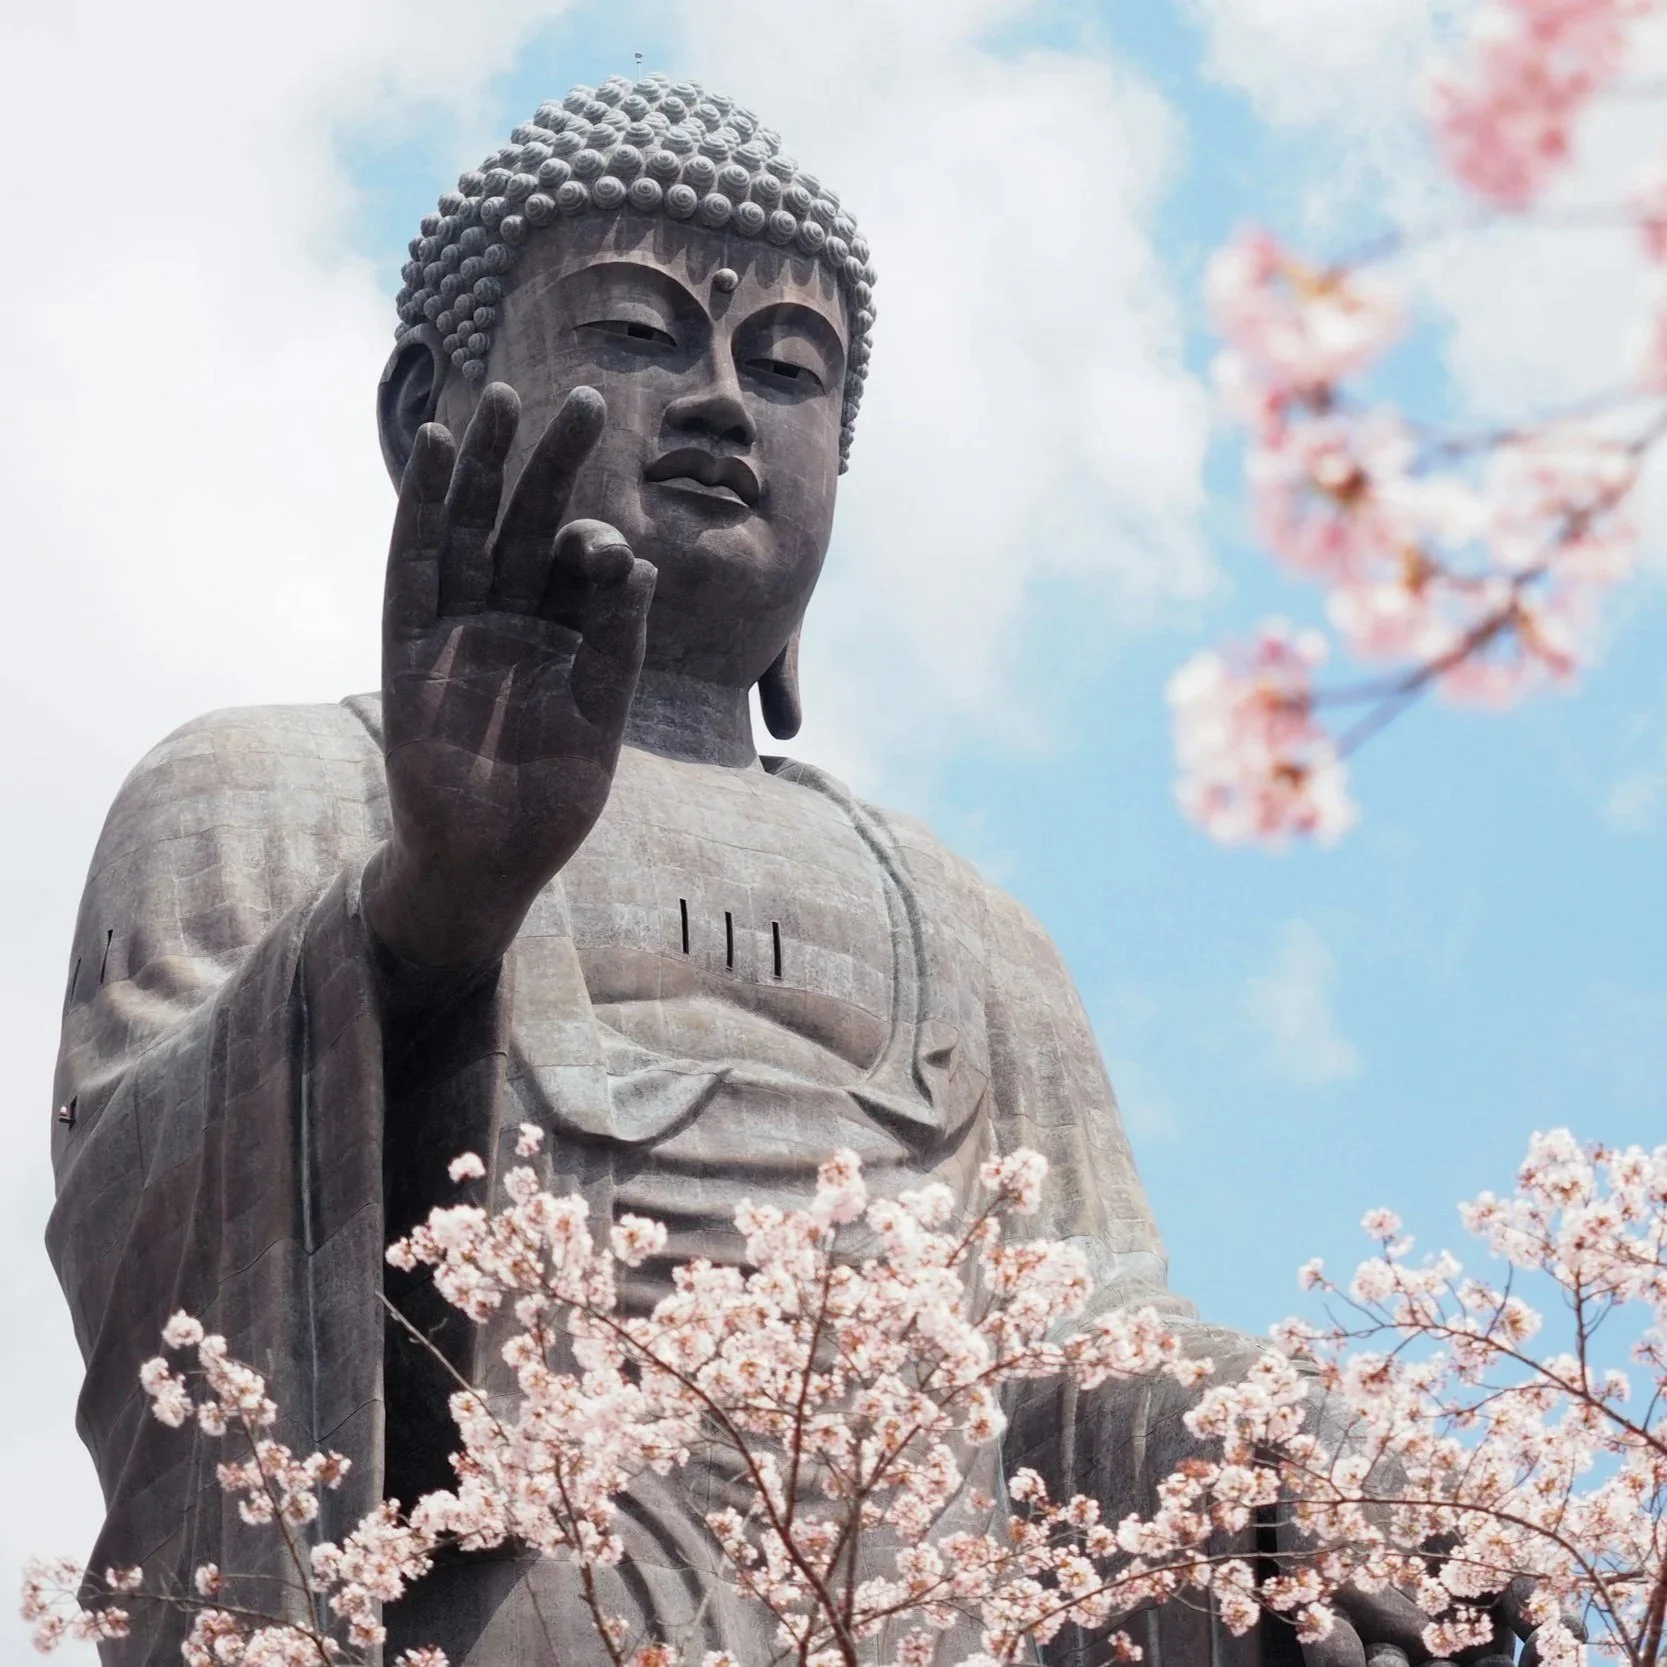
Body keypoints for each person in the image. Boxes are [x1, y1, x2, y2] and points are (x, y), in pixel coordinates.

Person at [50, 71, 1436, 1667]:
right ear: (426, 409)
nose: (718, 399)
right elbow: (148, 1235)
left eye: (788, 368)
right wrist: (434, 909)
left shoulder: (968, 923)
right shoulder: (271, 783)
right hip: (504, 1572)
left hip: (922, 1592)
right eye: (637, 332)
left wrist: (1281, 1459)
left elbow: (1076, 1350)